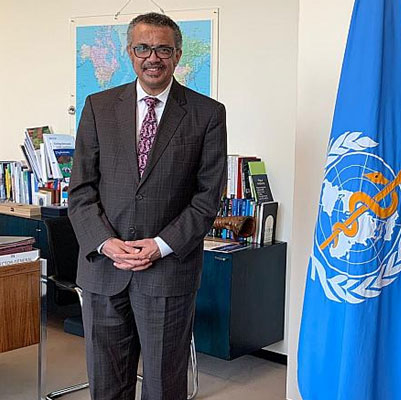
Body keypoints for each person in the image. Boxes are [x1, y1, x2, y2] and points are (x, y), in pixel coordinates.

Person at [68, 12, 227, 400]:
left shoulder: (207, 113)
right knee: (107, 385)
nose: (152, 58)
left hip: (168, 271)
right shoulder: (98, 107)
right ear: (129, 52)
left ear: (177, 54)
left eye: (163, 49)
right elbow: (81, 191)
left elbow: (207, 198)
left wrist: (161, 245)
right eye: (143, 48)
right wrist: (105, 242)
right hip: (104, 269)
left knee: (163, 385)